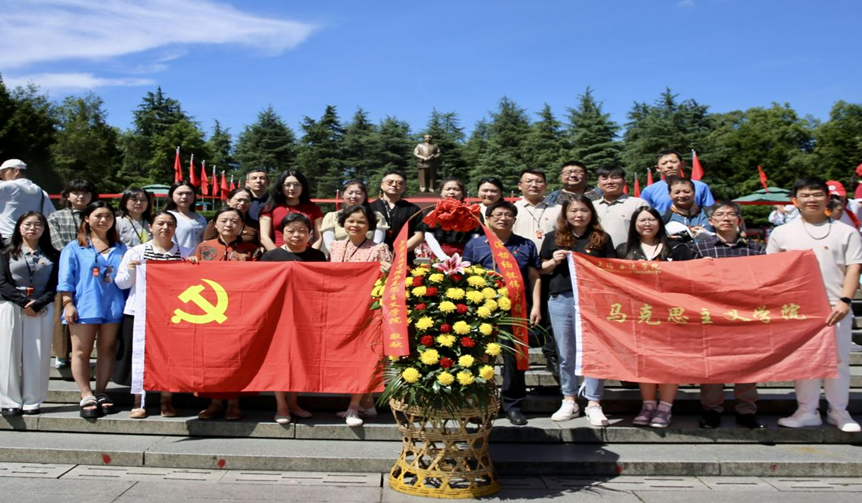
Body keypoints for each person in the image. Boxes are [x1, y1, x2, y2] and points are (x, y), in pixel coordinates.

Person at [767, 177, 862, 433]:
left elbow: (854, 267)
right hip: (798, 307)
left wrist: (845, 300)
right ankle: (807, 411)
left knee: (838, 360)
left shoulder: (846, 231)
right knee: (805, 360)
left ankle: (839, 411)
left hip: (835, 304)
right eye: (805, 195)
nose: (812, 200)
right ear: (795, 200)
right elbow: (772, 270)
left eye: (817, 194)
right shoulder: (782, 233)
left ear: (827, 198)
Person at [463, 200, 541, 426]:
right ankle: (481, 404)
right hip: (482, 311)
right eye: (497, 214)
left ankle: (513, 405)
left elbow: (534, 277)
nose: (503, 218)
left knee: (514, 359)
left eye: (508, 215)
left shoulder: (525, 244)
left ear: (514, 219)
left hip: (515, 310)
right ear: (487, 219)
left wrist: (536, 306)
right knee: (480, 357)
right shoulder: (475, 245)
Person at [540, 195, 615, 426]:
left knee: (595, 351)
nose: (579, 215)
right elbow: (541, 269)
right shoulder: (553, 237)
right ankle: (569, 399)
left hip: (594, 301)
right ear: (565, 214)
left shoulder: (602, 238)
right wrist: (554, 261)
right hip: (562, 298)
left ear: (592, 213)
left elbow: (612, 270)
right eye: (573, 211)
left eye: (584, 210)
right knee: (566, 352)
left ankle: (594, 402)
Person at [690, 202, 766, 429]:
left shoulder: (755, 249)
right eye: (720, 215)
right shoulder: (699, 248)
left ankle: (747, 411)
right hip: (712, 314)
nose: (726, 218)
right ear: (710, 221)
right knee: (713, 364)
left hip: (746, 314)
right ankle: (712, 410)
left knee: (748, 363)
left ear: (738, 220)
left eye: (731, 214)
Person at [616, 206, 693, 428]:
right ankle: (648, 405)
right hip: (639, 315)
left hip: (671, 314)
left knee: (669, 361)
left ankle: (665, 408)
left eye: (651, 219)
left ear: (660, 222)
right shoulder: (624, 250)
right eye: (642, 220)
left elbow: (690, 278)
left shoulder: (677, 248)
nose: (647, 224)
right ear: (634, 225)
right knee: (645, 361)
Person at [113, 211, 193, 419]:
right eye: (160, 223)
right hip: (139, 312)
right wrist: (131, 270)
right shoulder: (136, 251)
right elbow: (121, 283)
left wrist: (194, 266)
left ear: (175, 228)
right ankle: (139, 400)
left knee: (170, 357)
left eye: (170, 224)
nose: (165, 227)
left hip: (173, 314)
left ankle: (167, 400)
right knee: (139, 356)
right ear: (150, 227)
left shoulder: (186, 253)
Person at [57, 201, 128, 418]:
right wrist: (68, 303)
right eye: (98, 216)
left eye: (108, 216)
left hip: (114, 304)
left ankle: (101, 391)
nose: (104, 220)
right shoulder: (74, 247)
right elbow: (66, 279)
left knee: (108, 349)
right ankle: (86, 393)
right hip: (85, 304)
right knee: (81, 351)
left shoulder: (122, 248)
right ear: (87, 218)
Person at [195, 207, 261, 421]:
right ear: (215, 224)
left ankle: (234, 401)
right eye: (224, 220)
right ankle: (214, 401)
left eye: (234, 221)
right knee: (212, 357)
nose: (229, 225)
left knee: (237, 356)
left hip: (240, 310)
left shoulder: (252, 250)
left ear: (241, 225)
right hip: (210, 310)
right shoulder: (204, 248)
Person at [260, 213, 327, 424]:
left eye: (302, 231)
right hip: (277, 316)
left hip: (306, 316)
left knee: (300, 359)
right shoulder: (270, 257)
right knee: (279, 360)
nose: (297, 235)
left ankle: (294, 402)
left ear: (310, 233)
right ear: (282, 233)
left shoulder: (317, 256)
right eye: (291, 231)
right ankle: (281, 405)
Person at [329, 205, 392, 426]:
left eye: (361, 222)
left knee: (363, 355)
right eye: (351, 221)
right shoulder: (335, 247)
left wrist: (387, 270)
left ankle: (354, 407)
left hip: (368, 310)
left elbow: (390, 280)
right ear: (343, 223)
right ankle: (367, 401)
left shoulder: (379, 248)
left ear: (369, 226)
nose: (355, 225)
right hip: (340, 308)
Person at [0, 212, 58, 416]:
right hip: (11, 305)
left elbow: (56, 284)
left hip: (41, 307)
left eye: (38, 224)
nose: (33, 228)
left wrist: (38, 303)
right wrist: (24, 302)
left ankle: (33, 400)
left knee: (38, 353)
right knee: (8, 353)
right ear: (19, 227)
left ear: (44, 229)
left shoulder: (53, 254)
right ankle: (9, 400)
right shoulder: (6, 251)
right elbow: (2, 281)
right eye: (28, 224)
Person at [512, 169, 561, 382]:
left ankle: (551, 355)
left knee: (550, 316)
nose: (534, 185)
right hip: (518, 271)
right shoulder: (512, 209)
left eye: (539, 181)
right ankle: (517, 355)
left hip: (551, 268)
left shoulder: (558, 209)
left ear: (546, 185)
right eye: (529, 181)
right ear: (520, 185)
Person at [46, 178, 97, 370]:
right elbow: (56, 243)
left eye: (85, 193)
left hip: (93, 269)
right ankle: (61, 353)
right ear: (67, 195)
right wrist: (77, 258)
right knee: (63, 308)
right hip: (65, 268)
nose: (80, 196)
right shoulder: (56, 217)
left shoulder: (97, 215)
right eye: (76, 192)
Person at [409, 178, 481, 260]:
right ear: (441, 192)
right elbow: (429, 235)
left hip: (466, 254)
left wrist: (466, 256)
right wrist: (442, 257)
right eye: (448, 189)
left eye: (456, 189)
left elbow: (476, 236)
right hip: (439, 254)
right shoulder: (432, 211)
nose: (451, 192)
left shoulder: (471, 211)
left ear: (462, 193)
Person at [259, 170, 324, 252]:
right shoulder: (269, 208)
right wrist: (277, 255)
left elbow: (318, 237)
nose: (292, 188)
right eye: (287, 185)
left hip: (306, 255)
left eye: (296, 184)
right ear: (281, 186)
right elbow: (264, 237)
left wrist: (312, 254)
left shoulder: (314, 209)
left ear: (303, 186)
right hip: (277, 254)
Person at [320, 180, 387, 254]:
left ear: (365, 196)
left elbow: (377, 243)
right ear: (342, 195)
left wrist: (362, 256)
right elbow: (330, 245)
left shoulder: (376, 216)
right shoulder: (331, 217)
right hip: (338, 256)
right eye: (350, 193)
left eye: (358, 193)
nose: (354, 196)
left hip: (368, 256)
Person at [639, 150, 715, 213]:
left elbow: (710, 212)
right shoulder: (649, 191)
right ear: (657, 168)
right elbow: (643, 214)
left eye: (673, 162)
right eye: (664, 163)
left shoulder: (701, 187)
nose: (669, 166)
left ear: (682, 164)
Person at [0, 159, 55, 246]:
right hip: (32, 240)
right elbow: (52, 215)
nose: (1, 175)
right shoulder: (41, 192)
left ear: (16, 171)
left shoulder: (6, 187)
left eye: (3, 171)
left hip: (7, 239)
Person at [593, 166, 649, 248]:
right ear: (598, 184)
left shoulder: (638, 204)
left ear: (624, 181)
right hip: (597, 253)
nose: (610, 182)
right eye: (604, 178)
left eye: (615, 177)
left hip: (629, 253)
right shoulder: (592, 206)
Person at [368, 170, 421, 254]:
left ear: (404, 187)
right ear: (382, 185)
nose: (394, 185)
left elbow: (419, 234)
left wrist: (398, 252)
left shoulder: (413, 209)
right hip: (373, 255)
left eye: (399, 183)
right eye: (390, 182)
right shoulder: (369, 208)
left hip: (403, 256)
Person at [662, 176, 713, 241]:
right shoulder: (662, 217)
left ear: (694, 192)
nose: (682, 195)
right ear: (669, 195)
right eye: (677, 192)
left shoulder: (709, 213)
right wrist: (665, 238)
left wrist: (711, 235)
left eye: (687, 192)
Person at [165, 181, 207, 250]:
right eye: (180, 193)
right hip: (177, 255)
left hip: (198, 256)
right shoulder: (167, 216)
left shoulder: (201, 217)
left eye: (189, 193)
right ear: (172, 195)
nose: (184, 197)